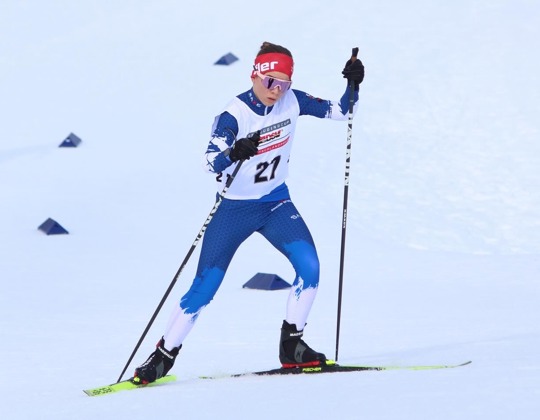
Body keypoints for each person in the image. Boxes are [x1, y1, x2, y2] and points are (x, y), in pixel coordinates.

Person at [133, 42, 364, 384]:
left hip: (275, 204)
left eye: (283, 83)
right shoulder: (234, 114)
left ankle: (293, 347)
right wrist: (234, 151)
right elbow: (209, 161)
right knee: (204, 288)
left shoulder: (293, 100)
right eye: (270, 81)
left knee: (310, 268)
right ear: (255, 75)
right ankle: (163, 357)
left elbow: (343, 112)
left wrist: (353, 85)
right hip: (234, 210)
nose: (276, 90)